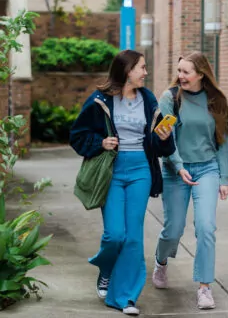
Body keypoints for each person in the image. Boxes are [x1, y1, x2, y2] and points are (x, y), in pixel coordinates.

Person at [70, 50, 175, 316]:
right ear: (127, 70)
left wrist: (163, 136)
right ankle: (106, 268)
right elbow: (77, 135)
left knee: (133, 238)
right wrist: (100, 143)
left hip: (141, 169)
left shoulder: (148, 99)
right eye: (142, 67)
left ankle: (125, 297)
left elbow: (161, 147)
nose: (146, 72)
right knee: (115, 234)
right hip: (113, 171)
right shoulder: (100, 100)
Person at [152, 52, 228, 310]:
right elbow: (166, 136)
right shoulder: (170, 98)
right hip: (176, 171)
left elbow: (222, 141)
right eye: (179, 71)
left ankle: (205, 287)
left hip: (206, 168)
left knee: (206, 227)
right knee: (173, 230)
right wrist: (178, 165)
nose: (181, 76)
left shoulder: (216, 100)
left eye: (186, 72)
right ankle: (161, 261)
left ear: (201, 74)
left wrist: (223, 177)